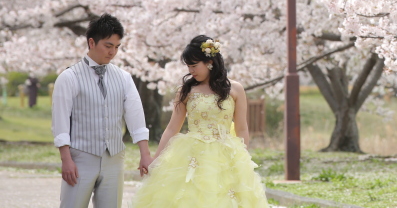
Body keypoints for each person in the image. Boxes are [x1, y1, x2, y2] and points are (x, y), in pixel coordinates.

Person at [130, 35, 268, 208]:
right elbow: (172, 128)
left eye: (194, 66)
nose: (191, 71)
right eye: (188, 66)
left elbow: (242, 129)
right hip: (190, 154)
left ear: (210, 62)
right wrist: (155, 159)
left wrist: (243, 160)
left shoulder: (235, 89)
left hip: (226, 155)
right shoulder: (186, 90)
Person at [51, 14, 153, 208]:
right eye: (108, 46)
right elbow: (60, 121)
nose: (113, 52)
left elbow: (135, 116)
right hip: (80, 157)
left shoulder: (123, 78)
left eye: (117, 47)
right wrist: (66, 159)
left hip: (114, 158)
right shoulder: (69, 77)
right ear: (91, 42)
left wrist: (145, 153)